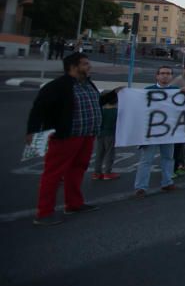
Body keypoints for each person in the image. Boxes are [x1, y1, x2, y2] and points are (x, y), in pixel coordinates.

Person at [25, 52, 103, 225]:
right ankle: (44, 212)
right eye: (85, 64)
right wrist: (32, 131)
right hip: (66, 137)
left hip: (87, 135)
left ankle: (74, 203)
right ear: (73, 67)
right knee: (53, 173)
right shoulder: (57, 86)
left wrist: (115, 95)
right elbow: (38, 110)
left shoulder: (87, 83)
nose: (89, 66)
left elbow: (96, 103)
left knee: (78, 169)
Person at [133, 66, 179, 198]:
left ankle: (167, 182)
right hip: (151, 132)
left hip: (168, 132)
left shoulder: (175, 91)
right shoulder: (147, 91)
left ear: (171, 76)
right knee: (146, 160)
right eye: (163, 73)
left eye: (168, 74)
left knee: (168, 158)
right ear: (157, 76)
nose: (165, 76)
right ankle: (141, 187)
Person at [92, 86, 124, 181]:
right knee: (110, 153)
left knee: (99, 153)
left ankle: (96, 172)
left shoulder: (99, 110)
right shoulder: (116, 112)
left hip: (100, 133)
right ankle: (107, 172)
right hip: (110, 134)